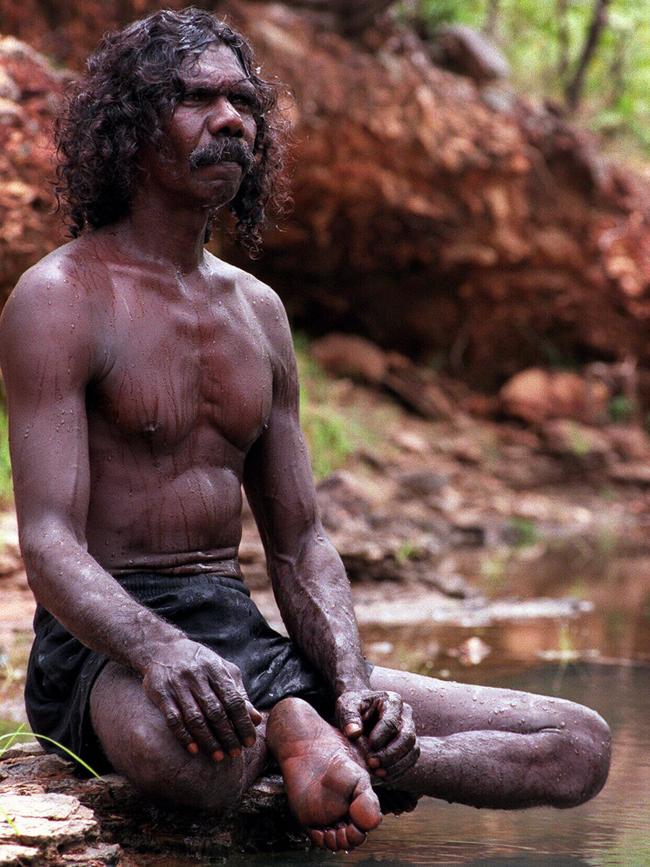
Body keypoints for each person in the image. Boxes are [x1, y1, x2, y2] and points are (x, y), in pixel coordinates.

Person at [0, 8, 611, 853]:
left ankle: (337, 745)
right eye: (195, 99)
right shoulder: (60, 296)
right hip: (108, 646)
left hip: (236, 630)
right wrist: (162, 653)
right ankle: (296, 733)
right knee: (189, 766)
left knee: (575, 746)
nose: (230, 120)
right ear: (130, 126)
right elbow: (51, 542)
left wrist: (357, 687)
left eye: (243, 102)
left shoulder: (259, 311)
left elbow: (299, 543)